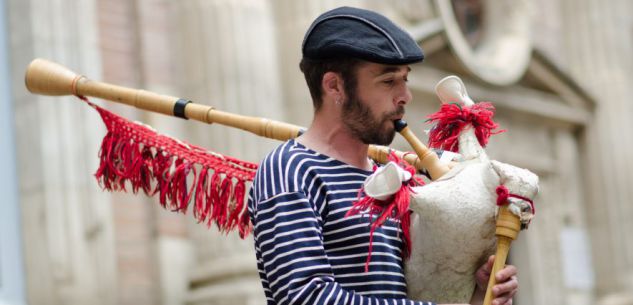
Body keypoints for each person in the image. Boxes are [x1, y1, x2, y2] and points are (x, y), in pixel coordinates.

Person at [247, 6, 518, 305]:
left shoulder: (388, 173)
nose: (405, 96)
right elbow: (305, 297)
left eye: (405, 79)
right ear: (334, 85)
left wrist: (476, 292)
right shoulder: (289, 168)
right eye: (389, 81)